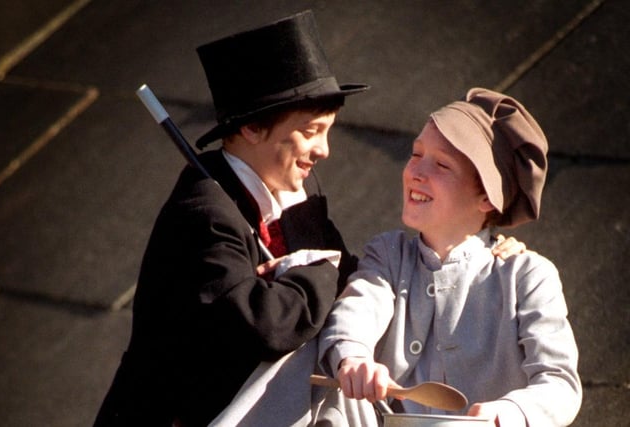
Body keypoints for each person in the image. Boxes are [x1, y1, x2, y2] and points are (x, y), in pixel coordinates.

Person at [94, 10, 525, 426]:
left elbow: (354, 279)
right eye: (311, 130)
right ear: (252, 129)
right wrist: (317, 267)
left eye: (327, 131)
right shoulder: (203, 216)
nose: (324, 151)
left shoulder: (298, 194)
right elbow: (268, 327)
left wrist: (473, 248)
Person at [317, 88, 582, 427]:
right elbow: (358, 309)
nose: (416, 172)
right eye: (415, 154)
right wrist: (352, 357)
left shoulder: (527, 275)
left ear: (487, 196)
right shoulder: (387, 255)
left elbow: (560, 382)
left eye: (442, 164)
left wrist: (511, 412)